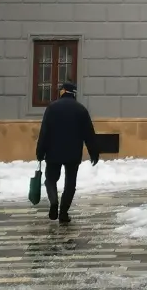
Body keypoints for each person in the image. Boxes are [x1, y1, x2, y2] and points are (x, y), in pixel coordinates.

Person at [35, 81, 99, 224]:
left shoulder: (52, 108)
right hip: (73, 152)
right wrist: (94, 152)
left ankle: (53, 202)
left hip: (53, 152)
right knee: (70, 183)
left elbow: (44, 131)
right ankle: (63, 213)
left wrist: (40, 151)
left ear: (63, 91)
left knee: (50, 179)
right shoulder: (81, 109)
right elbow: (89, 133)